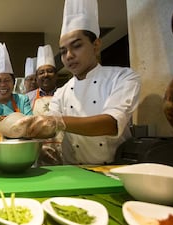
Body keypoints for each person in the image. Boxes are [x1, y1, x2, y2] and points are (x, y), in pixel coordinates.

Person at [21, 0, 141, 165]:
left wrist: (59, 122)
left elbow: (111, 123)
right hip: (74, 172)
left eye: (76, 46)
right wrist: (20, 126)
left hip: (115, 170)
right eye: (63, 52)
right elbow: (48, 126)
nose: (68, 56)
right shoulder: (62, 92)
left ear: (96, 45)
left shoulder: (123, 77)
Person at [26, 44, 63, 166]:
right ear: (36, 77)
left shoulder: (64, 93)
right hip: (36, 152)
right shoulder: (27, 98)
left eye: (50, 71)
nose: (46, 75)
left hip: (64, 151)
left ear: (56, 75)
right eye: (41, 72)